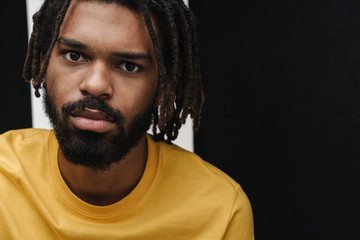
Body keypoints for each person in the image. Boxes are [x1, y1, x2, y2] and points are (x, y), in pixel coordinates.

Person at [0, 0, 254, 239]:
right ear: (44, 63)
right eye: (74, 55)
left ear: (164, 86)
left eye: (128, 66)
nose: (96, 85)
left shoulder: (221, 210)